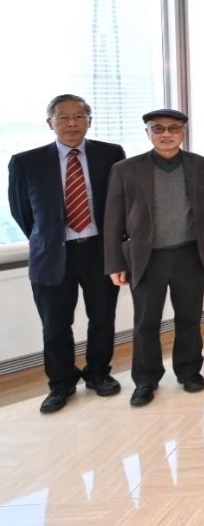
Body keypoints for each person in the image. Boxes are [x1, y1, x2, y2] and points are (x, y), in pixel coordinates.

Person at [7, 94, 126, 414]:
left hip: (99, 251)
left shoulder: (111, 154)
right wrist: (50, 239)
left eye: (78, 116)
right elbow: (23, 213)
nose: (72, 123)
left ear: (89, 120)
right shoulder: (26, 162)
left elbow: (121, 203)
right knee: (55, 325)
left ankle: (99, 374)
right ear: (50, 123)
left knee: (102, 318)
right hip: (52, 255)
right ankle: (61, 384)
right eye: (63, 117)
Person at [104, 109, 204, 407]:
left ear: (183, 132)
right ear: (148, 133)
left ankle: (189, 371)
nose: (166, 134)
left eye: (173, 128)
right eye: (158, 129)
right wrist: (115, 262)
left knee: (189, 318)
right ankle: (146, 380)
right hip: (146, 258)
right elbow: (113, 219)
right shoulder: (126, 169)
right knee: (146, 323)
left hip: (189, 254)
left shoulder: (202, 166)